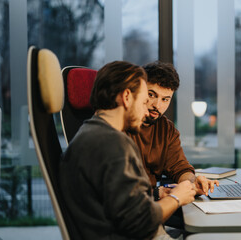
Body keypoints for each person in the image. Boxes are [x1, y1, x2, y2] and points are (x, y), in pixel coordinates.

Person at [59, 61, 196, 240]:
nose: (146, 110)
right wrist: (176, 198)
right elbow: (141, 222)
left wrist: (159, 193)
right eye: (144, 100)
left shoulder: (92, 134)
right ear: (126, 98)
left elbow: (123, 205)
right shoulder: (113, 144)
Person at [127, 61, 219, 198]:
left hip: (152, 201)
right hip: (132, 203)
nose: (157, 105)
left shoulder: (166, 128)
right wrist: (158, 193)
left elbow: (180, 168)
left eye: (165, 99)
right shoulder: (121, 125)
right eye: (151, 95)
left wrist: (193, 182)